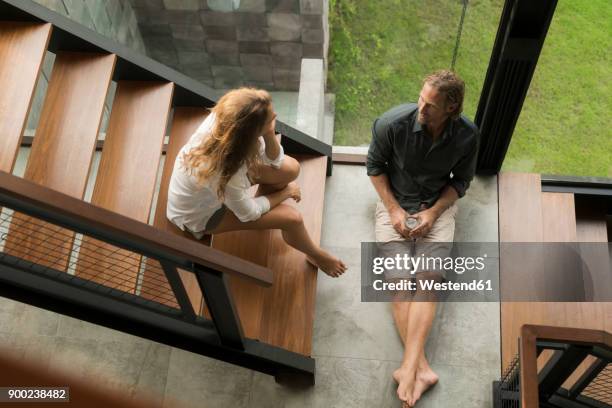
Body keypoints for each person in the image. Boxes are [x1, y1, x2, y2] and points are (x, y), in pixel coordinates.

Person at [366, 70, 479, 407]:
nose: (421, 109)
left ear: (451, 107)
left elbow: (461, 182)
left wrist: (433, 214)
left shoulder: (467, 135)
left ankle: (408, 368)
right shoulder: (391, 124)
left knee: (428, 282)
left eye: (430, 105)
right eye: (421, 99)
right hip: (394, 205)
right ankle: (421, 368)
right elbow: (374, 167)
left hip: (437, 208)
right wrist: (394, 210)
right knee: (399, 285)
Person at [167, 87, 346, 278]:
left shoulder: (227, 124)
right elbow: (247, 213)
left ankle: (265, 208)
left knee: (291, 168)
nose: (276, 115)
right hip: (200, 216)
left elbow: (275, 161)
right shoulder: (227, 175)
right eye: (270, 119)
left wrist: (269, 133)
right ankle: (316, 255)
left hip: (217, 185)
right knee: (293, 219)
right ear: (250, 135)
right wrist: (285, 193)